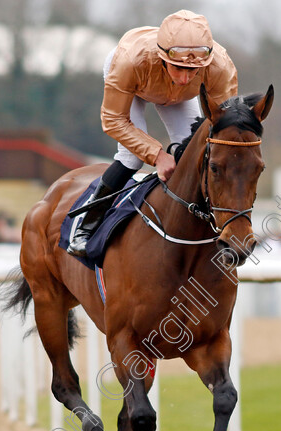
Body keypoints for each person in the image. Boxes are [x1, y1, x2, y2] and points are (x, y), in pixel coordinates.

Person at [67, 9, 238, 257]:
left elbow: (226, 128)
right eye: (178, 68)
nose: (184, 78)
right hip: (135, 82)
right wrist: (158, 155)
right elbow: (113, 120)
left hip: (177, 98)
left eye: (193, 71)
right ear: (162, 57)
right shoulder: (129, 61)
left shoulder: (221, 66)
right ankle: (86, 227)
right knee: (132, 158)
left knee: (194, 154)